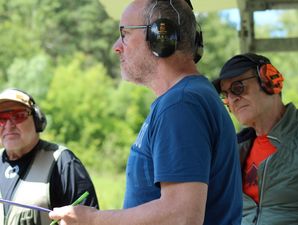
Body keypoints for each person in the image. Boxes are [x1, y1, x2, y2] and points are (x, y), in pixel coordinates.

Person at [49, 0, 242, 224]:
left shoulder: (180, 104)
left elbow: (182, 216)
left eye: (125, 34)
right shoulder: (187, 98)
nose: (117, 46)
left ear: (160, 37)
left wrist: (93, 219)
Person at [212, 52, 298, 224]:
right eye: (225, 94)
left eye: (238, 87)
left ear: (270, 80)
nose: (232, 99)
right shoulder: (234, 149)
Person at [0, 88, 99, 225]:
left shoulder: (63, 162)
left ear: (37, 120)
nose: (9, 126)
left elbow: (89, 220)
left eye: (18, 116)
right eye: (1, 119)